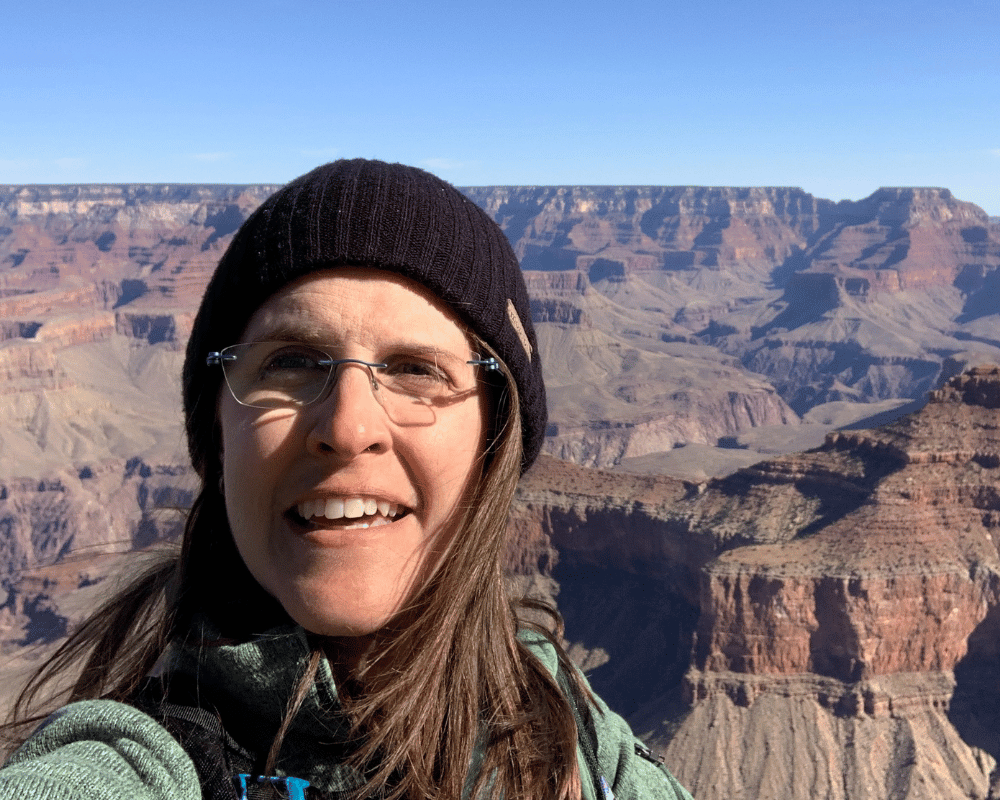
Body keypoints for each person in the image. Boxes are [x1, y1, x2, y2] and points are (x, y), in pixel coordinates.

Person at [0, 159, 693, 800]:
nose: (349, 425)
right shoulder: (132, 770)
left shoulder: (567, 724)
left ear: (495, 438)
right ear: (217, 431)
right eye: (291, 360)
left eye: (417, 369)